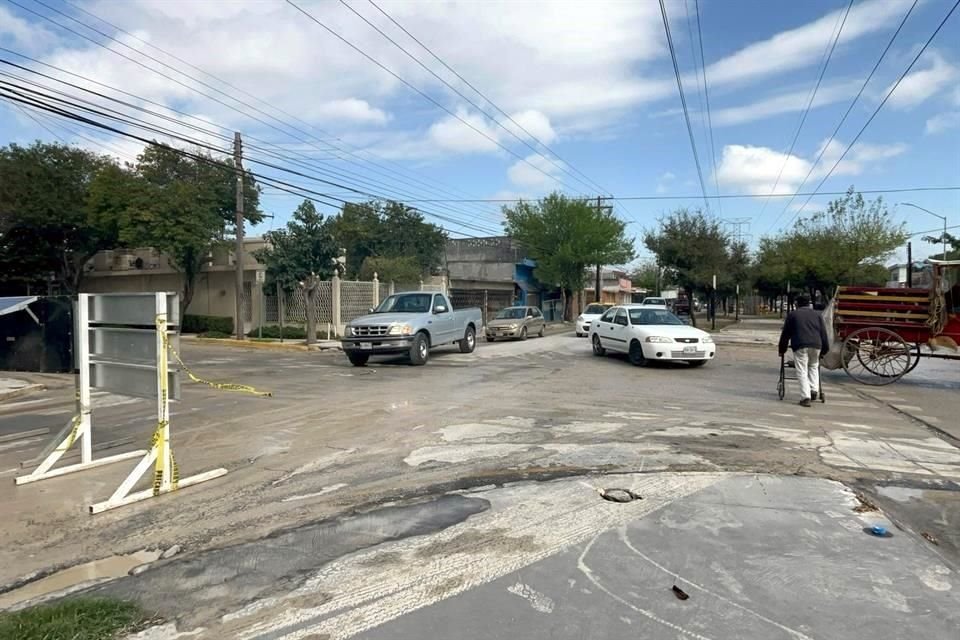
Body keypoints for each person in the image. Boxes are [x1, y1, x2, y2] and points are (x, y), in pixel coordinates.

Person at [778, 294, 830, 407]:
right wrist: (825, 350)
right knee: (813, 366)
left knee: (802, 370)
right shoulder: (818, 315)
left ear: (797, 304)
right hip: (817, 345)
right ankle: (814, 390)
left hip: (800, 344)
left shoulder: (793, 315)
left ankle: (805, 397)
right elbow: (823, 333)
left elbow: (785, 334)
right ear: (808, 303)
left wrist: (782, 349)